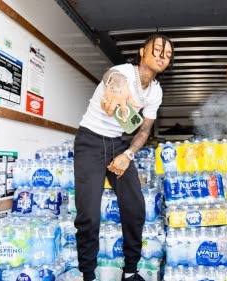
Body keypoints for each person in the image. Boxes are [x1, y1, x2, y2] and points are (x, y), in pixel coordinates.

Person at [73, 34, 174, 281]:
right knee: (88, 214)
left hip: (118, 145)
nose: (163, 56)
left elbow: (144, 130)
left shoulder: (155, 92)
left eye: (168, 55)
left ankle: (130, 271)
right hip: (90, 142)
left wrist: (127, 155)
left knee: (136, 207)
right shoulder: (123, 72)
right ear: (142, 51)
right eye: (158, 49)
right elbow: (112, 77)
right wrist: (116, 90)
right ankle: (88, 274)